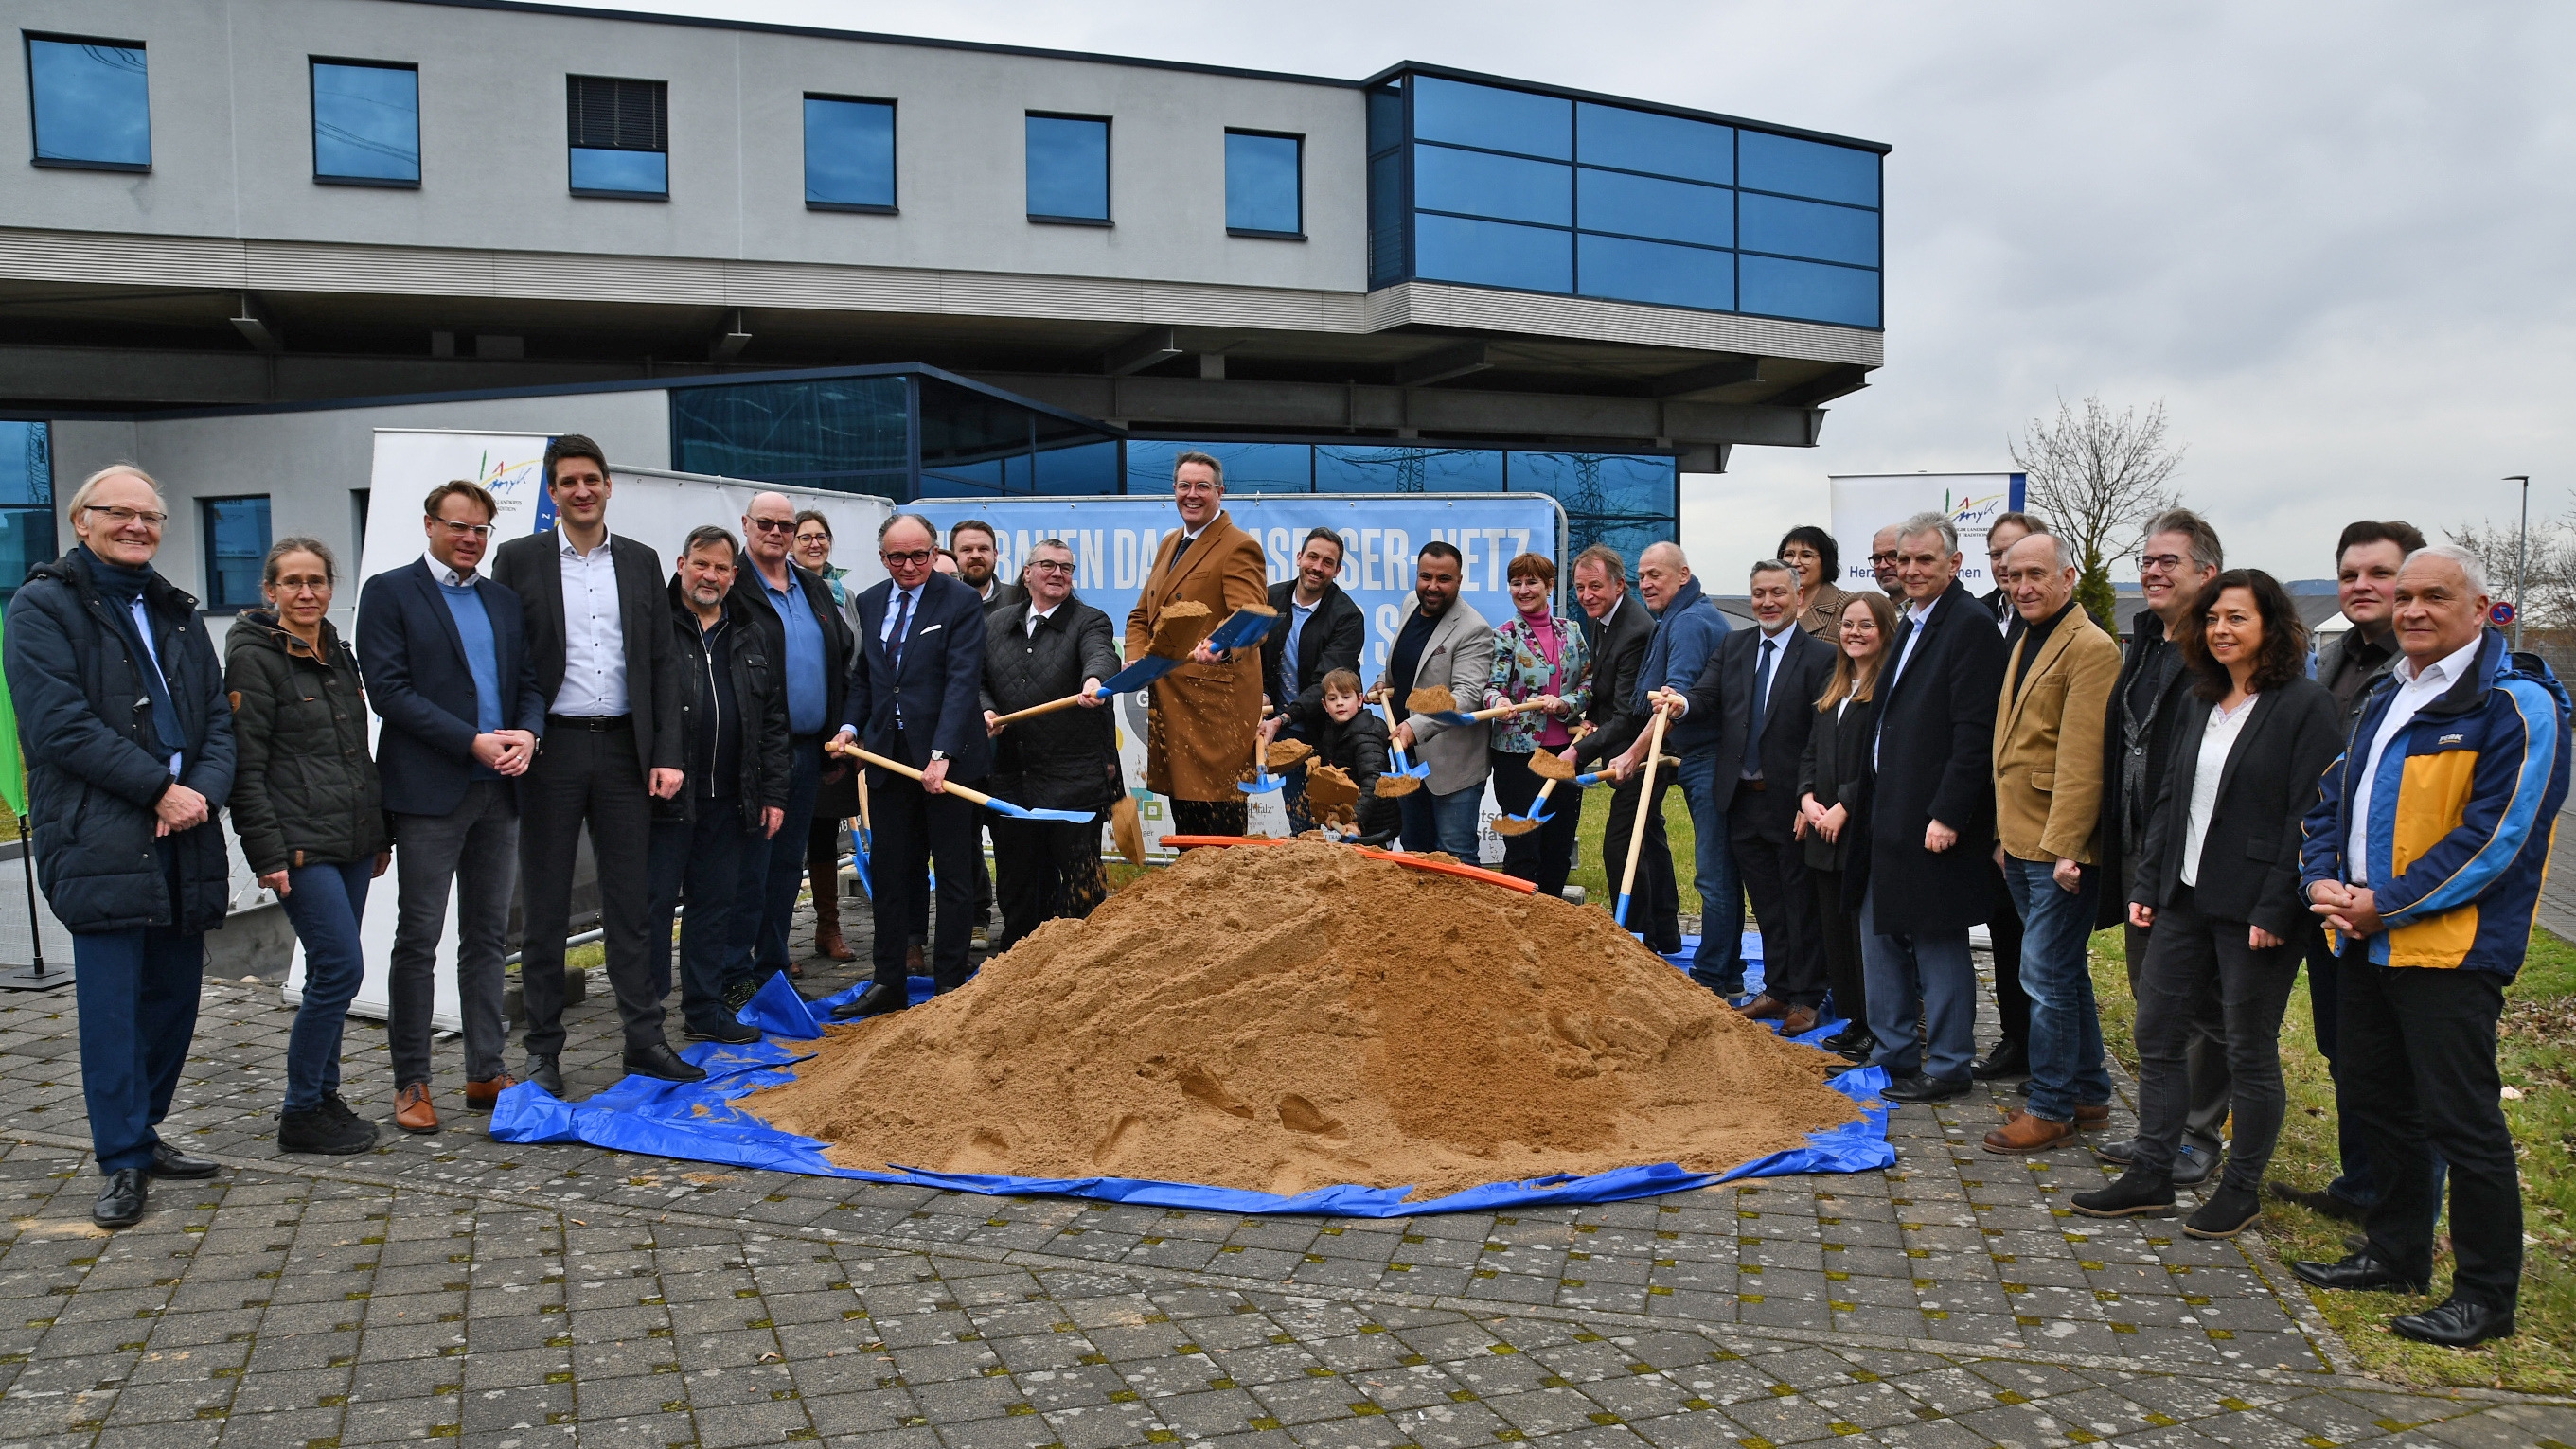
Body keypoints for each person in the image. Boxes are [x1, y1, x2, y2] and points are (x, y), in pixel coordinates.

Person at [2289, 545, 2568, 1349]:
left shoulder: (2515, 706)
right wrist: (2318, 882)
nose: (2410, 608)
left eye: (2433, 596)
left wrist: (2386, 904)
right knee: (2379, 1100)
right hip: (2366, 944)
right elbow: (2330, 800)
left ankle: (2485, 1295)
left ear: (2480, 609)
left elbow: (2497, 839)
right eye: (2403, 595)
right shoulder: (2389, 694)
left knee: (2461, 1121)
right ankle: (2395, 1250)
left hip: (2451, 951)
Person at [4, 465, 235, 1228]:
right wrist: (156, 789)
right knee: (112, 1006)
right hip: (103, 832)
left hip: (186, 829)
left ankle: (145, 1127)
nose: (138, 526)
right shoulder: (42, 606)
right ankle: (121, 1158)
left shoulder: (175, 611)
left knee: (174, 996)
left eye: (151, 516)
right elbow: (58, 726)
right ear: (81, 521)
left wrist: (198, 791)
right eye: (120, 513)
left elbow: (217, 723)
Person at [2076, 571, 2342, 1234]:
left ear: (2271, 627)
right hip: (2181, 897)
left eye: (2237, 618)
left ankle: (2241, 1188)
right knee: (2156, 1032)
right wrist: (2146, 886)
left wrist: (2278, 908)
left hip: (2254, 907)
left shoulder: (2303, 705)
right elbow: (2171, 796)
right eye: (2214, 618)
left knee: (2247, 1050)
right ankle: (2150, 1173)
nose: (2221, 629)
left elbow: (2306, 814)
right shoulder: (2201, 698)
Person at [489, 433, 696, 1094]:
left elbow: (663, 664)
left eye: (592, 479)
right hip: (549, 746)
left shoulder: (639, 562)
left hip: (625, 751)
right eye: (568, 481)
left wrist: (667, 752)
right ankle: (543, 1051)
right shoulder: (517, 559)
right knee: (545, 906)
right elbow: (505, 659)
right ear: (552, 493)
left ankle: (643, 1039)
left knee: (631, 904)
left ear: (608, 486)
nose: (582, 490)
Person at [357, 480, 543, 1131]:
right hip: (430, 792)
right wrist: (471, 742)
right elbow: (388, 691)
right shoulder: (389, 592)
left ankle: (484, 1067)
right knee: (419, 938)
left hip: (502, 789)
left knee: (489, 936)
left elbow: (527, 683)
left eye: (480, 529)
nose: (469, 538)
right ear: (429, 523)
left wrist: (527, 733)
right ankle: (411, 1080)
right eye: (457, 526)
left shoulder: (502, 599)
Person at [2273, 519, 2427, 1225]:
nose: (2361, 586)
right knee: (2345, 1050)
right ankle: (2361, 1183)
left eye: (2378, 573)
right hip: (2329, 889)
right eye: (2349, 574)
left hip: (2396, 901)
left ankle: (2405, 1211)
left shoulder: (2421, 671)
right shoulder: (2333, 658)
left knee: (2405, 1069)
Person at [226, 539, 389, 1155]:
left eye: (316, 580)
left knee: (333, 971)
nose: (305, 592)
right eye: (291, 582)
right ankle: (301, 1109)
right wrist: (265, 853)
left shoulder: (338, 651)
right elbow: (248, 766)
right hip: (299, 844)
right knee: (341, 967)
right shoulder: (253, 657)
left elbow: (357, 752)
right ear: (269, 590)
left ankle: (324, 1096)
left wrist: (377, 831)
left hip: (349, 837)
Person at [2093, 508, 2230, 1184]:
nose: (2150, 570)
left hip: (2196, 853)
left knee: (2200, 1002)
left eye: (2166, 561)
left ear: (2207, 573)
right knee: (2154, 997)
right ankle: (2158, 1128)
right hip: (2137, 847)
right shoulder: (2145, 640)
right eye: (2145, 560)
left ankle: (2198, 1134)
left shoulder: (2220, 646)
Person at [1981, 533, 2122, 1153]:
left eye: (2036, 574)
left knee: (2043, 975)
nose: (2022, 586)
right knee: (2060, 973)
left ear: (2068, 577)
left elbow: (2083, 758)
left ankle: (2051, 1105)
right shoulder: (2028, 635)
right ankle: (2088, 1089)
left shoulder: (2089, 647)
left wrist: (2068, 848)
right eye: (2013, 575)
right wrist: (2001, 834)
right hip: (2020, 836)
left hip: (2057, 846)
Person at [1861, 511, 2008, 1104]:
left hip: (1933, 821)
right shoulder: (1912, 621)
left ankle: (1948, 1064)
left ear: (1954, 564)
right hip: (1890, 812)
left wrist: (1948, 814)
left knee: (1938, 940)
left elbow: (1975, 732)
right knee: (1883, 930)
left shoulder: (1968, 625)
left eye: (1927, 560)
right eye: (1905, 559)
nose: (1913, 570)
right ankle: (1892, 1053)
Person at [1657, 559, 1835, 1032]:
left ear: (1798, 596)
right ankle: (1777, 990)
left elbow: (1823, 737)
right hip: (1741, 798)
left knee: (1800, 904)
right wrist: (1682, 703)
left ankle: (1807, 996)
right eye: (1759, 593)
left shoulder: (1820, 659)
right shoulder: (1735, 646)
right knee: (1766, 903)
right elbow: (1707, 697)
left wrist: (1808, 796)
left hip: (1792, 803)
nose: (1767, 602)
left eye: (1778, 592)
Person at [831, 513, 993, 1017]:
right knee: (892, 871)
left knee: (951, 873)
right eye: (896, 557)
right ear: (882, 557)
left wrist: (941, 754)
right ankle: (889, 981)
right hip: (886, 759)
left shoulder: (960, 600)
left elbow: (962, 681)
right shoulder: (870, 600)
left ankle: (949, 983)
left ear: (933, 551)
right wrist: (850, 728)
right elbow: (866, 679)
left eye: (919, 555)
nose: (908, 565)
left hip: (947, 761)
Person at [648, 527, 788, 1046]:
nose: (710, 576)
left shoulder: (750, 631)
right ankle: (647, 1022)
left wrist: (773, 794)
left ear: (734, 575)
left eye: (722, 568)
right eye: (701, 565)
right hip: (664, 800)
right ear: (682, 563)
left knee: (714, 908)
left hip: (731, 799)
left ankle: (704, 1009)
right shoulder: (654, 625)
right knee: (655, 907)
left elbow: (773, 718)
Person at [729, 492, 858, 1001]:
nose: (777, 532)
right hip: (752, 755)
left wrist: (837, 732)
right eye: (767, 522)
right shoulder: (732, 585)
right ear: (746, 525)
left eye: (785, 524)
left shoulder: (812, 587)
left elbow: (840, 662)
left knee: (786, 868)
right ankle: (735, 976)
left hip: (809, 752)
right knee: (748, 868)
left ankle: (772, 966)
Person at [980, 538, 1121, 950]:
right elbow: (979, 682)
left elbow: (1101, 656)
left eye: (1067, 567)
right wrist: (986, 711)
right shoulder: (996, 623)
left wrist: (1095, 681)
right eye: (1048, 565)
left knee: (1081, 888)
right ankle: (1019, 962)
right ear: (1027, 574)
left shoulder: (1090, 620)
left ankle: (1081, 969)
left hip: (1073, 784)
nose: (1058, 573)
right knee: (1018, 883)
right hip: (1012, 781)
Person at [1126, 451, 1268, 838]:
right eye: (1184, 486)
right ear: (1173, 490)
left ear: (1220, 493)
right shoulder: (1171, 543)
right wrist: (1136, 661)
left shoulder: (1239, 546)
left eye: (1202, 486)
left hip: (1214, 719)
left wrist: (1220, 645)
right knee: (1187, 835)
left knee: (1219, 843)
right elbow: (1141, 618)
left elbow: (1251, 618)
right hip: (1172, 712)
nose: (1192, 494)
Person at [1622, 542, 1735, 987]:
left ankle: (1715, 976)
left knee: (1713, 873)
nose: (1646, 584)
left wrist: (1633, 753)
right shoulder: (1684, 616)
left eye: (1656, 575)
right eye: (1642, 576)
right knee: (1717, 870)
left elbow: (1671, 702)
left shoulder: (1688, 623)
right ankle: (1724, 968)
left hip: (1710, 758)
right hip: (1700, 755)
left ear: (1683, 575)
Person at [1799, 592, 1897, 1060]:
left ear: (1885, 632)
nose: (1854, 633)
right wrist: (1807, 799)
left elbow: (1888, 762)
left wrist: (1846, 806)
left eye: (1866, 625)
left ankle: (1880, 1025)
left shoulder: (1890, 689)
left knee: (1867, 939)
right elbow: (1811, 753)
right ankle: (1856, 1020)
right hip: (1822, 832)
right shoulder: (1834, 686)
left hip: (1860, 832)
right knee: (1835, 933)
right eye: (1847, 625)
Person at [1968, 511, 2043, 1081]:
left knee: (2034, 941)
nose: (2002, 565)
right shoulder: (1988, 613)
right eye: (1995, 555)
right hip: (1989, 801)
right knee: (2001, 926)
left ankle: (2037, 1047)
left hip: (2031, 812)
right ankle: (2016, 1036)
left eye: (2013, 553)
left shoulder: (2045, 626)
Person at [1377, 542, 1495, 857]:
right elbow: (1408, 665)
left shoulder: (1474, 629)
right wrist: (1384, 683)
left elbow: (1466, 696)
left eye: (1443, 579)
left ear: (1459, 580)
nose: (1432, 586)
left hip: (1453, 766)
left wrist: (1417, 726)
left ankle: (1467, 909)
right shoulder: (1409, 604)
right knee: (1416, 851)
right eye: (1425, 576)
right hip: (1409, 758)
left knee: (1456, 856)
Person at [1567, 545, 1661, 934]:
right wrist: (1589, 719)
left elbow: (1630, 714)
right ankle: (1663, 932)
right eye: (1579, 587)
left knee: (1621, 844)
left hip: (1645, 747)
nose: (1586, 595)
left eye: (1595, 586)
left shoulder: (1635, 630)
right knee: (1651, 839)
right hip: (1622, 736)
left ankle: (1633, 936)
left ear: (1620, 584)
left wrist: (1577, 751)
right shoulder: (1602, 618)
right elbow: (1609, 689)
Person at [1484, 553, 1590, 895]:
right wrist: (1498, 703)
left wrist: (1566, 704)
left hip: (1565, 753)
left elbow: (1591, 685)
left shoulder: (1572, 632)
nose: (1524, 590)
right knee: (1524, 846)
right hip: (1518, 758)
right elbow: (1492, 688)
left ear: (1549, 585)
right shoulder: (1504, 636)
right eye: (1516, 583)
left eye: (1532, 582)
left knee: (1558, 847)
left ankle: (1553, 921)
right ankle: (1521, 924)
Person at [1260, 527, 1365, 833]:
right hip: (1284, 735)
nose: (1317, 567)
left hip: (1328, 735)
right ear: (1299, 557)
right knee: (1302, 822)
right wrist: (1264, 694)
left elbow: (1326, 683)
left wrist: (1282, 718)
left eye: (1327, 562)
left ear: (1337, 570)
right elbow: (1254, 657)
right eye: (1313, 557)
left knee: (1342, 820)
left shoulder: (1347, 616)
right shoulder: (1270, 599)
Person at [792, 509, 861, 965]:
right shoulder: (780, 591)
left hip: (835, 728)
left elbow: (857, 657)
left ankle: (828, 927)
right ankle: (773, 938)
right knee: (782, 836)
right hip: (792, 729)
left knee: (822, 832)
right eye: (805, 537)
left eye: (821, 536)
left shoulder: (845, 595)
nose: (814, 544)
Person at [1309, 668, 1400, 843]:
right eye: (1333, 699)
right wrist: (1333, 811)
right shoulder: (1331, 732)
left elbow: (1374, 781)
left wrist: (1355, 819)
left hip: (1376, 828)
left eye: (1346, 697)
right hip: (1352, 824)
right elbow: (1334, 779)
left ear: (1359, 700)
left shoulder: (1366, 735)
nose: (1339, 703)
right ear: (1324, 705)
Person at [1777, 526, 1855, 638]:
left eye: (1806, 555)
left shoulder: (1848, 606)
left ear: (1825, 562)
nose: (1794, 563)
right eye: (1789, 554)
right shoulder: (1774, 604)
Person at [1981, 511, 2047, 635]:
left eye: (2014, 553)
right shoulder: (1975, 614)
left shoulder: (2061, 621)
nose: (2004, 563)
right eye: (1996, 555)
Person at [950, 519, 1023, 611]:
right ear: (953, 556)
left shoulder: (1018, 599)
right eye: (967, 550)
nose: (976, 555)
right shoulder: (941, 601)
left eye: (983, 549)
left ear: (995, 554)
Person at [1868, 525, 1903, 594]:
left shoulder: (1929, 605)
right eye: (1877, 558)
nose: (1883, 566)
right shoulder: (1875, 605)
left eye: (1893, 556)